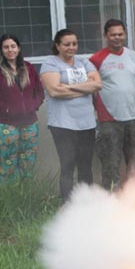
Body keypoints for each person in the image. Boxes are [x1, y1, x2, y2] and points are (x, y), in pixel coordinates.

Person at [40, 29, 102, 202]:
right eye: (66, 44)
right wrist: (83, 88)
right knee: (68, 165)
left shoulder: (84, 62)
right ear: (57, 46)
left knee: (85, 166)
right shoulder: (51, 64)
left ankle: (87, 205)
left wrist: (65, 88)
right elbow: (53, 90)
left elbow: (97, 84)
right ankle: (67, 205)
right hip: (63, 124)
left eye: (74, 44)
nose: (71, 47)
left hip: (86, 123)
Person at [90, 19, 135, 190]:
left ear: (125, 35)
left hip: (133, 119)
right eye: (113, 34)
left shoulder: (134, 57)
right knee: (110, 166)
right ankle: (112, 204)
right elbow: (92, 89)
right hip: (109, 121)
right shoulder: (96, 59)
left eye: (120, 34)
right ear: (106, 36)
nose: (117, 38)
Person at [0, 34, 44, 184]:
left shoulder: (28, 67)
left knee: (28, 164)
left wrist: (33, 106)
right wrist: (6, 108)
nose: (10, 50)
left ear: (19, 48)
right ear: (1, 50)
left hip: (29, 123)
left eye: (13, 46)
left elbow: (40, 92)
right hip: (5, 125)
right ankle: (9, 201)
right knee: (8, 165)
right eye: (6, 47)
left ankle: (26, 199)